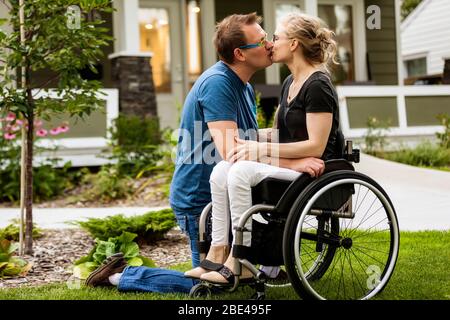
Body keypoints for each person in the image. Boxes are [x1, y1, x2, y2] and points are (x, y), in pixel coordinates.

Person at [85, 12, 280, 292]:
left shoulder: (244, 85)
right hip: (200, 198)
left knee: (237, 276)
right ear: (240, 53)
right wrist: (293, 155)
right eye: (262, 40)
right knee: (214, 283)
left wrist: (296, 137)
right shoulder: (218, 84)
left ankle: (259, 268)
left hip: (223, 191)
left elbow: (247, 138)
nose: (270, 44)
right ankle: (122, 276)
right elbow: (231, 150)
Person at [185, 12, 345, 284]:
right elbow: (280, 134)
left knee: (240, 172)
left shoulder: (318, 85)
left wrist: (258, 151)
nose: (271, 43)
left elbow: (317, 146)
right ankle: (218, 249)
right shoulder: (290, 83)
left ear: (293, 44)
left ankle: (242, 260)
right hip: (296, 166)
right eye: (266, 39)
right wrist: (249, 141)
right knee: (222, 169)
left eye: (275, 37)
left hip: (317, 169)